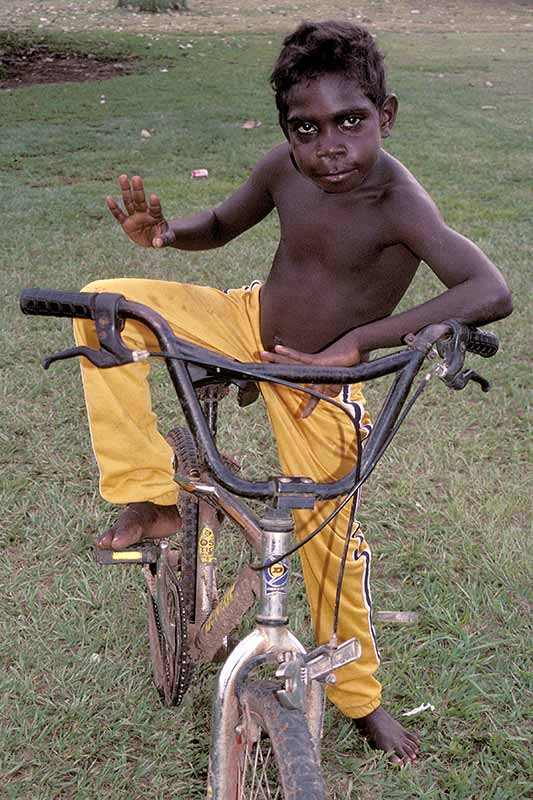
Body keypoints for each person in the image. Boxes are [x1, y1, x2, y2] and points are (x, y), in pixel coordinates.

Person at [74, 20, 512, 764]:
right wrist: (168, 234)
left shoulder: (398, 200)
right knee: (102, 305)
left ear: (387, 115)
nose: (328, 146)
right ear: (286, 130)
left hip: (320, 379)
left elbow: (488, 289)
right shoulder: (285, 169)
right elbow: (220, 223)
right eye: (305, 129)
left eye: (350, 121)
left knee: (331, 547)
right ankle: (151, 497)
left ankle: (359, 699)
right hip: (246, 322)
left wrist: (358, 343)